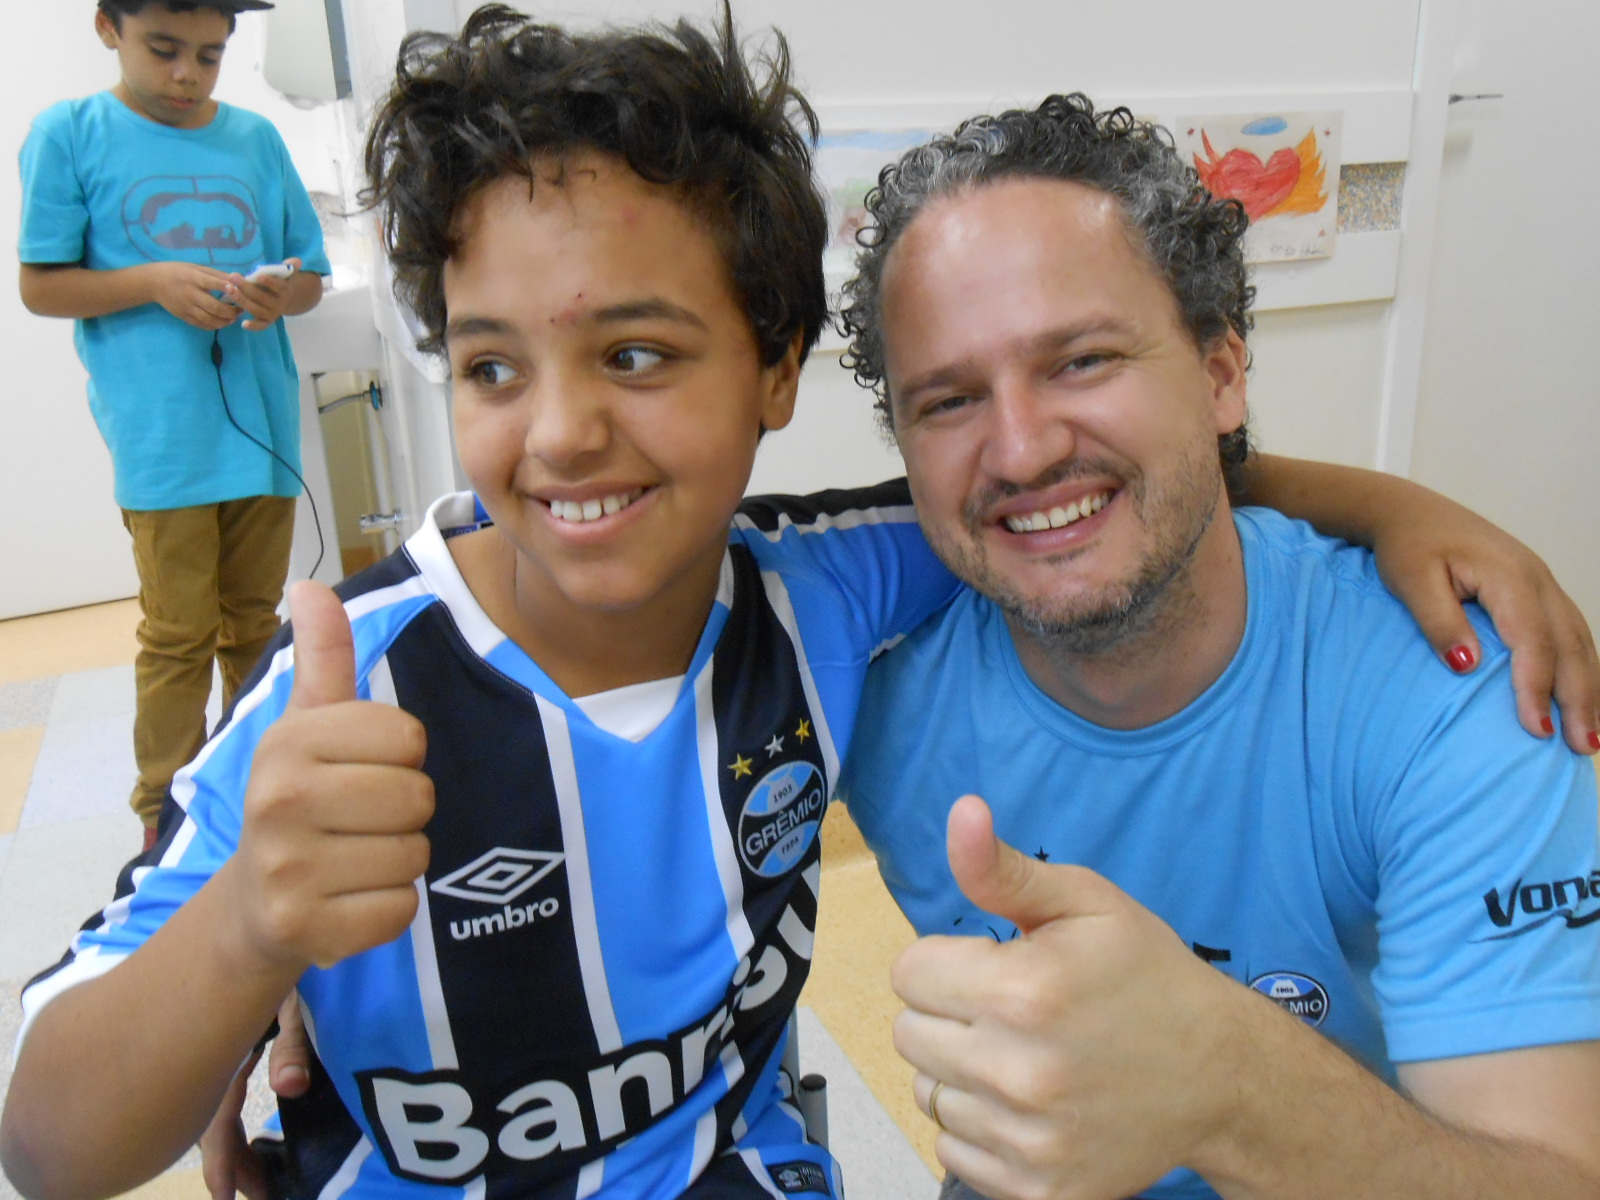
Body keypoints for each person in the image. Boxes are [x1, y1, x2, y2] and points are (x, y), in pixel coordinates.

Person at [11, 11, 1598, 1200]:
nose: (560, 429)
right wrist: (244, 942)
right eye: (494, 365)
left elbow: (1079, 497)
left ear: (772, 373)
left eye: (636, 353)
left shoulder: (833, 594)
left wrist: (1404, 503)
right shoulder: (358, 687)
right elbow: (50, 1140)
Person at [835, 94, 1600, 1200]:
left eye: (1082, 361)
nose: (1020, 446)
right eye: (949, 399)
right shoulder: (860, 661)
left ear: (1221, 374)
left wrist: (1223, 1078)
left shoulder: (1454, 695)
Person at [17, 0, 330, 851]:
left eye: (210, 55)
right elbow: (41, 285)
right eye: (164, 50)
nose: (188, 74)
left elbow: (311, 276)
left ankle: (259, 780)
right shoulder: (69, 133)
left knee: (253, 624)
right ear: (106, 27)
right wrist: (153, 279)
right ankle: (165, 816)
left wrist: (279, 292)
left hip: (259, 431)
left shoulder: (256, 141)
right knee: (178, 634)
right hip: (162, 440)